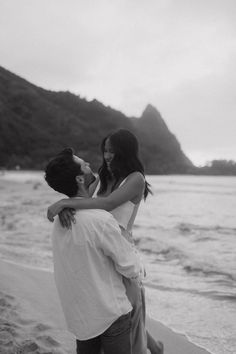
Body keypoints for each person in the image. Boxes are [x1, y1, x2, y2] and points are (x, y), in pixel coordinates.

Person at [47, 129, 164, 354]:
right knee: (116, 312)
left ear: (125, 152)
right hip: (101, 252)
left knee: (129, 312)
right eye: (105, 150)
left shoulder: (136, 179)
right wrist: (67, 206)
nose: (107, 156)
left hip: (121, 251)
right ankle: (155, 347)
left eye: (113, 151)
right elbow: (83, 201)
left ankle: (153, 348)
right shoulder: (102, 176)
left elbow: (108, 204)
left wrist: (64, 203)